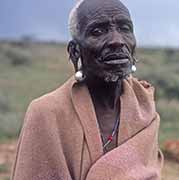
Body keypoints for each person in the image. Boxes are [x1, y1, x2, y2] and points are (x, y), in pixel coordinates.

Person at [11, 0, 164, 179]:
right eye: (98, 31)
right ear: (75, 52)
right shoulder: (46, 112)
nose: (117, 41)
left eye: (124, 28)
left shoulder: (144, 106)